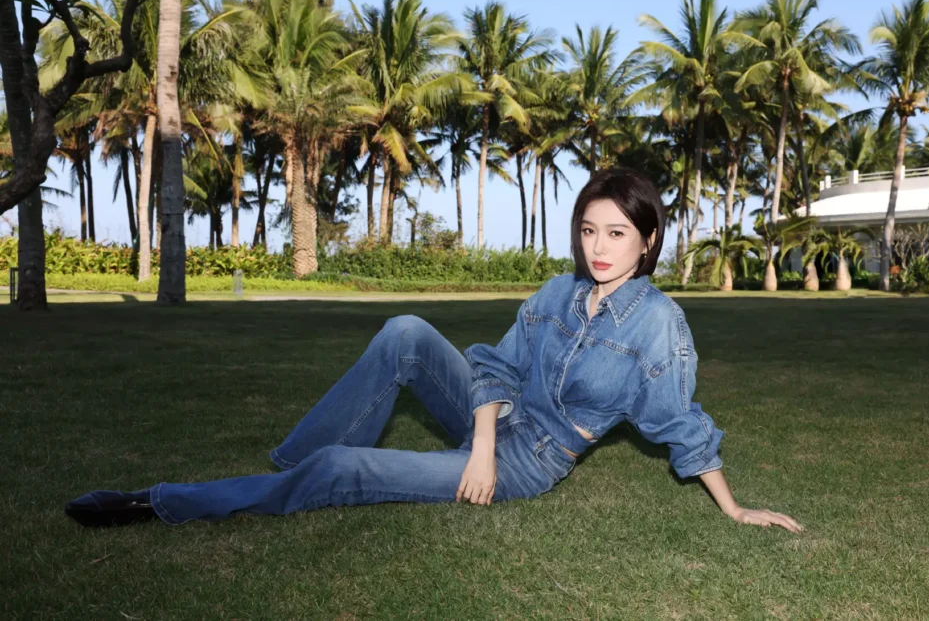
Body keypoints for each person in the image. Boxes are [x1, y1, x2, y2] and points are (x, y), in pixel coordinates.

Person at [65, 168, 802, 533]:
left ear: (648, 239)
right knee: (407, 331)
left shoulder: (659, 325)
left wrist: (736, 509)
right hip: (495, 425)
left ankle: (158, 501)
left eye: (617, 233)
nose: (599, 247)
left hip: (532, 460)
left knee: (345, 467)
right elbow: (497, 366)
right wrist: (479, 444)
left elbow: (681, 422)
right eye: (588, 230)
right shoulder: (557, 292)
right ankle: (292, 468)